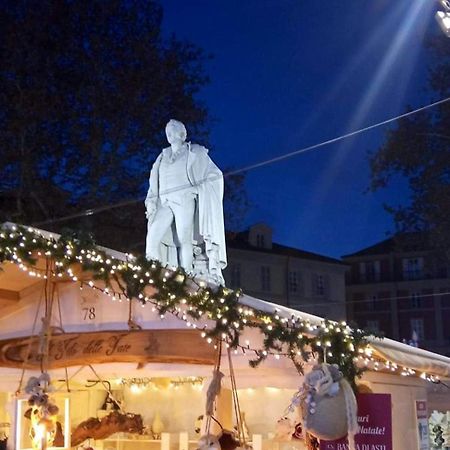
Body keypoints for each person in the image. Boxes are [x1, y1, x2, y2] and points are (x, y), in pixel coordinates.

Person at [145, 119, 227, 284]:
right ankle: (153, 273)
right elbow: (154, 183)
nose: (169, 133)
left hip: (184, 199)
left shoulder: (195, 152)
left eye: (173, 129)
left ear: (183, 134)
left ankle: (187, 275)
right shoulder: (162, 156)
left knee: (184, 239)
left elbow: (215, 175)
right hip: (164, 201)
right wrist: (152, 201)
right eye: (168, 130)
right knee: (153, 236)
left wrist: (200, 188)